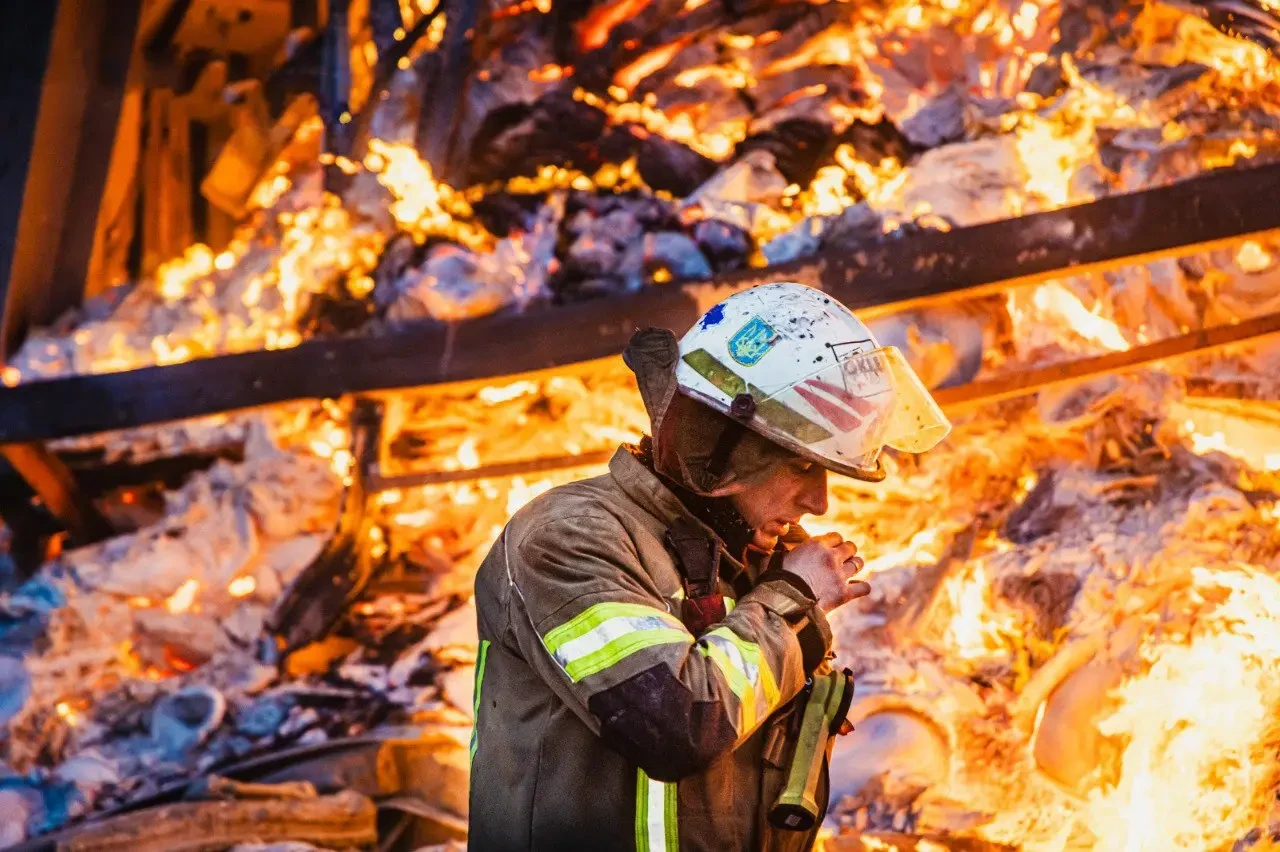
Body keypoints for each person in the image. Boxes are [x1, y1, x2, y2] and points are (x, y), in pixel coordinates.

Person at [468, 282, 950, 851]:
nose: (820, 502)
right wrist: (789, 601)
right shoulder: (568, 537)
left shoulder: (746, 561)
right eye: (801, 466)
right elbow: (678, 725)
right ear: (723, 446)